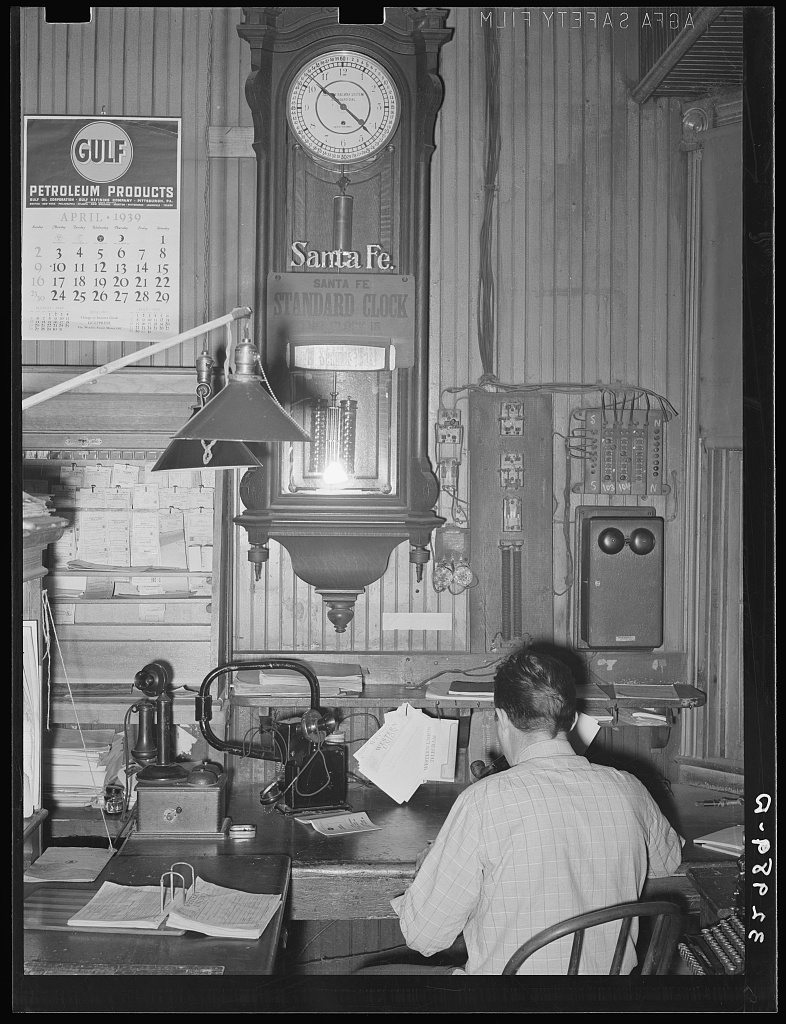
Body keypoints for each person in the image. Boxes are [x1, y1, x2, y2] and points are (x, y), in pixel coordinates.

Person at [356, 645, 684, 975]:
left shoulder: (482, 803)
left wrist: (430, 870)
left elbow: (423, 937)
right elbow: (667, 863)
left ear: (501, 718)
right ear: (571, 718)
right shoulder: (629, 789)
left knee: (365, 978)